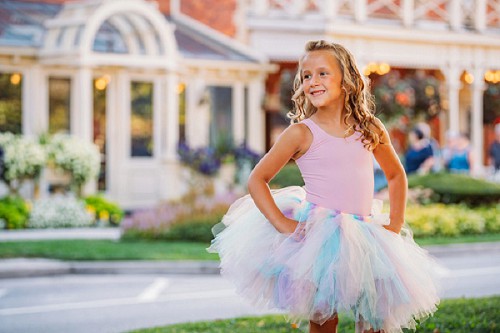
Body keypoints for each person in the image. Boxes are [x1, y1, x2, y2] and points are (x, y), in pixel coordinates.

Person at [208, 40, 440, 333]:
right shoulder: (301, 133)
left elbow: (396, 175)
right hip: (320, 238)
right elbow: (257, 179)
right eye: (306, 76)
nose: (312, 82)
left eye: (322, 73)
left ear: (346, 79)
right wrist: (282, 223)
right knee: (323, 319)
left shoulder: (369, 127)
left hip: (367, 236)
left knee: (375, 320)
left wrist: (395, 222)